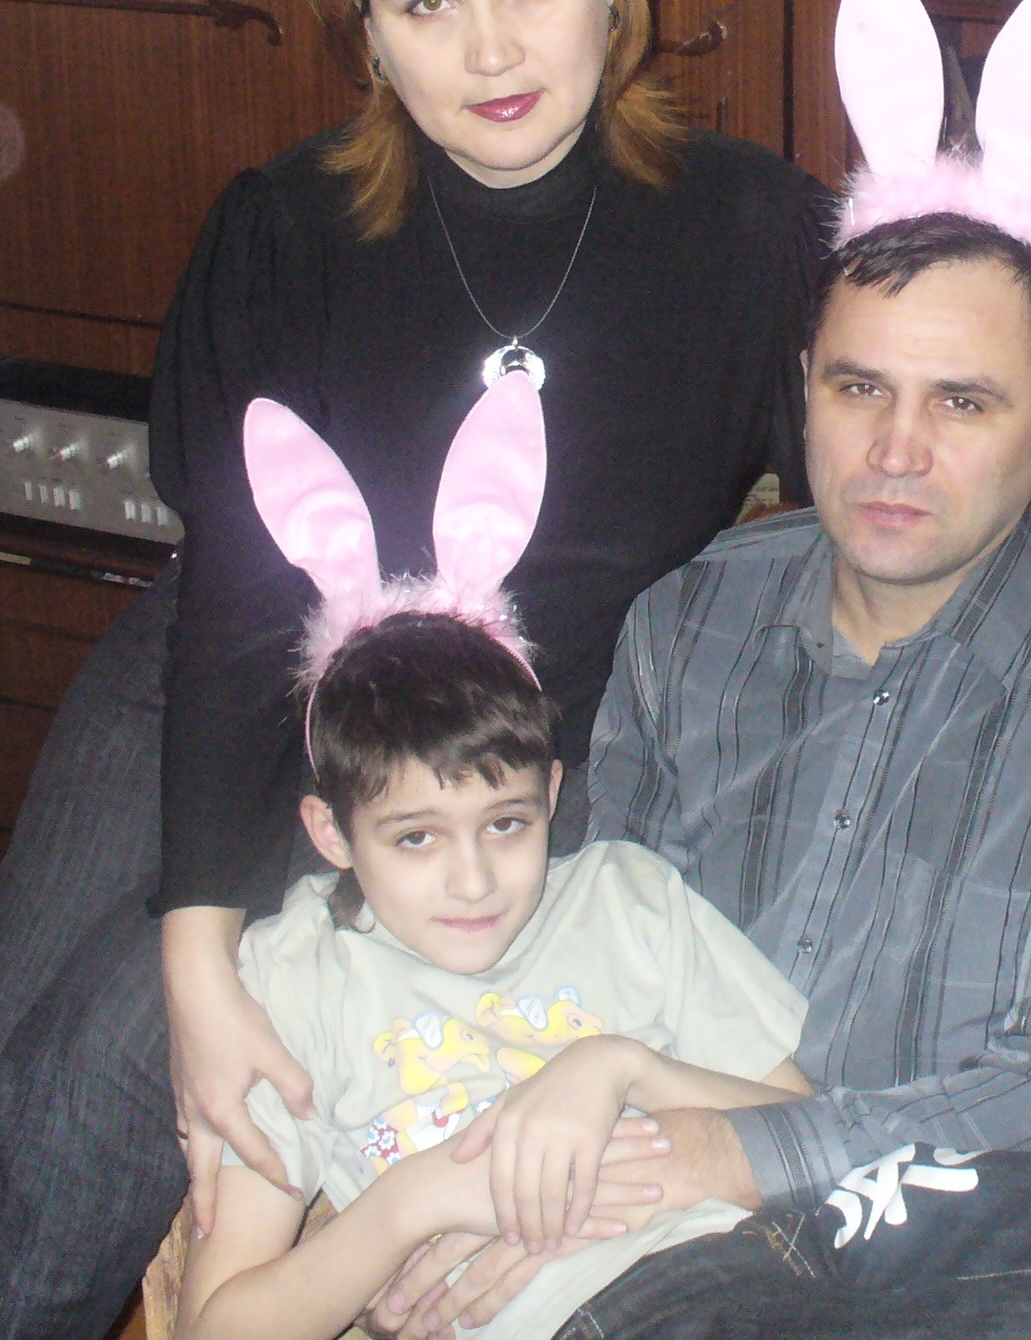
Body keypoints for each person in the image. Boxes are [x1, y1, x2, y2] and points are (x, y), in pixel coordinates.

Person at [0, 0, 831, 1340]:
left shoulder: (753, 232)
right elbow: (241, 598)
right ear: (366, 31)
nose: (492, 51)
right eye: (426, 2)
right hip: (221, 676)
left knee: (110, 1085)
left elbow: (909, 457)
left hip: (470, 757)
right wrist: (201, 951)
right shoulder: (288, 226)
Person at [362, 0, 1031, 1340]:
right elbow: (574, 945)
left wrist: (732, 1149)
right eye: (860, 389)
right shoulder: (688, 623)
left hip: (962, 1216)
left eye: (962, 404)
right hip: (677, 1234)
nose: (896, 452)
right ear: (803, 392)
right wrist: (524, 1178)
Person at [178, 376, 814, 1340]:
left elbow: (818, 1141)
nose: (473, 880)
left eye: (507, 824)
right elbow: (215, 1325)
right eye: (416, 838)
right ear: (331, 834)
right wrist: (413, 1202)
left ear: (553, 796)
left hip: (751, 1280)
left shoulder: (628, 901)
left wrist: (623, 1069)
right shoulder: (297, 977)